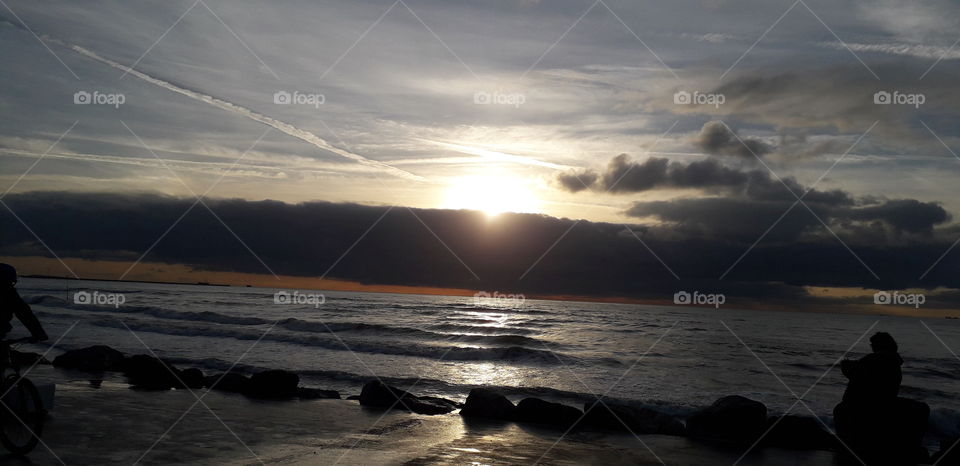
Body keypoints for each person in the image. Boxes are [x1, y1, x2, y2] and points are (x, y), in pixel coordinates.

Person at [840, 331, 902, 404]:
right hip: (887, 399)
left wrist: (845, 365)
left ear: (878, 345)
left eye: (872, 344)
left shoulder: (873, 359)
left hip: (864, 401)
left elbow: (856, 375)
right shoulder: (895, 360)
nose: (871, 346)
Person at [0, 264, 49, 344]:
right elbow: (24, 312)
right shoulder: (8, 293)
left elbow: (24, 313)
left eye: (11, 283)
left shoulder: (10, 293)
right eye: (9, 282)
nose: (10, 285)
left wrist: (38, 333)